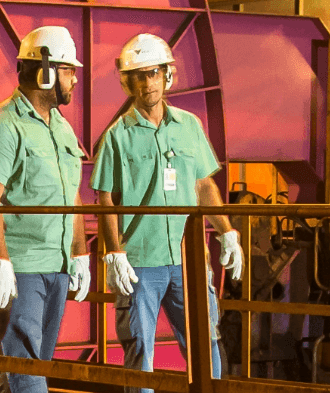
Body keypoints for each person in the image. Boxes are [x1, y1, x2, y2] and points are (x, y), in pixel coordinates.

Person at [89, 33, 245, 392]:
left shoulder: (189, 126)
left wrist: (227, 231)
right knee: (139, 350)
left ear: (167, 75)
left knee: (205, 343)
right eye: (140, 75)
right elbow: (106, 199)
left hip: (188, 258)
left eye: (154, 73)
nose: (148, 82)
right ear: (129, 82)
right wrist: (113, 252)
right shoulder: (117, 136)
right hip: (139, 262)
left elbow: (204, 185)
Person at [0, 25, 92, 393]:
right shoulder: (2, 125)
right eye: (69, 71)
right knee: (25, 370)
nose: (74, 80)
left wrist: (80, 253)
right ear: (46, 70)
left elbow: (73, 197)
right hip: (20, 267)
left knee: (27, 368)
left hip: (56, 265)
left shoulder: (62, 130)